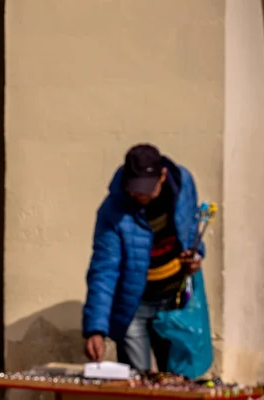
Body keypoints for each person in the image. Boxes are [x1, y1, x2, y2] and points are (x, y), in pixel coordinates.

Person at [82, 143, 204, 372]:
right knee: (137, 383)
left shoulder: (182, 185)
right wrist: (95, 329)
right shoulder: (112, 211)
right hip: (132, 306)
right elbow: (104, 270)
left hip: (174, 302)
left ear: (162, 176)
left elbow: (191, 226)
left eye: (147, 188)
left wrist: (196, 254)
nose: (140, 194)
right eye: (134, 188)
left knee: (177, 381)